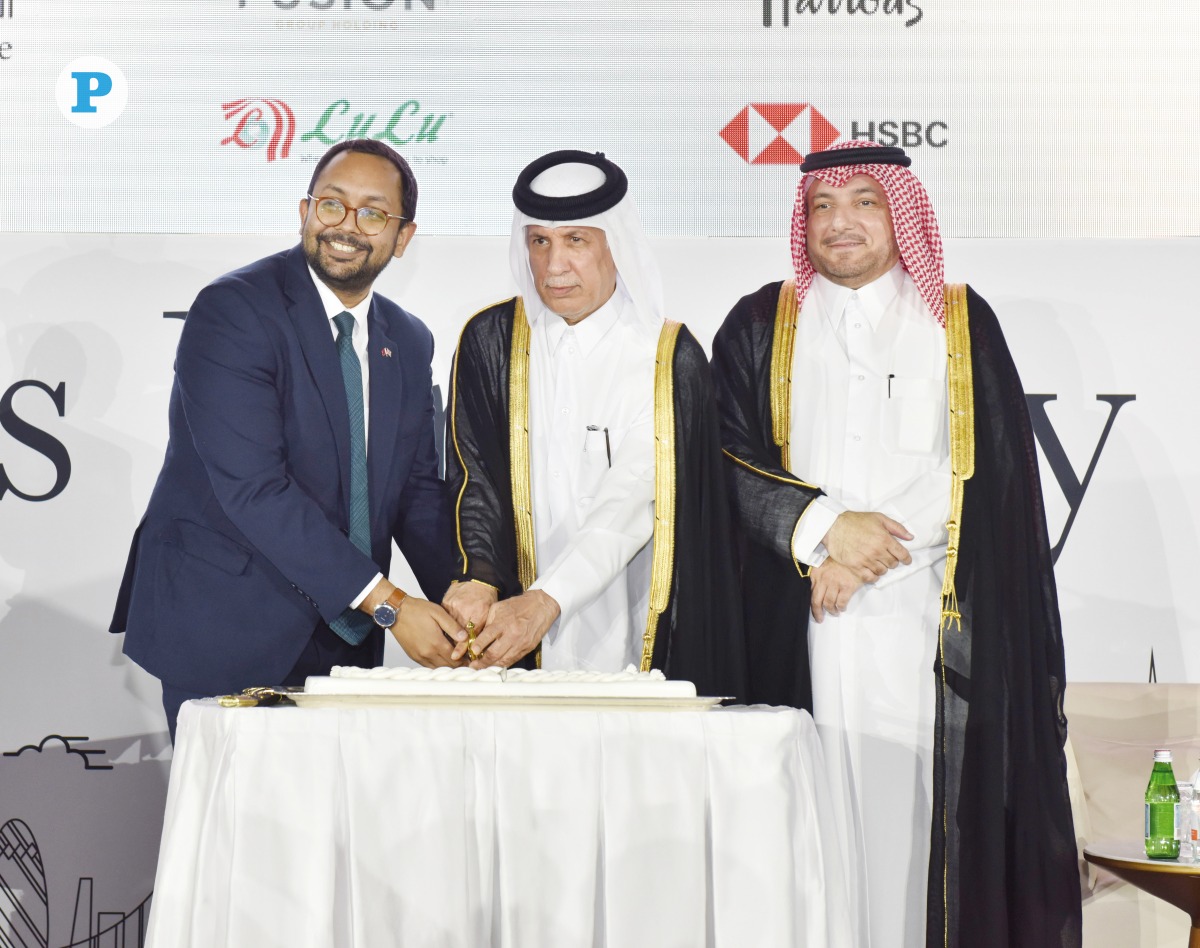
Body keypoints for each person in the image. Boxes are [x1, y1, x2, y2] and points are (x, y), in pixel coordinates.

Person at [710, 141, 1080, 948]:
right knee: (812, 829)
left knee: (926, 828)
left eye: (865, 203)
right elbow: (729, 455)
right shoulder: (759, 323)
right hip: (798, 616)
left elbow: (988, 473)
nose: (840, 223)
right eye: (821, 207)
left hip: (931, 627)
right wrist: (821, 534)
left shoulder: (957, 321)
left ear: (901, 213)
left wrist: (868, 552)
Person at [111, 139, 464, 741]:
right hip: (226, 626)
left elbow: (416, 490)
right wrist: (391, 605)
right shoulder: (235, 310)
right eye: (332, 205)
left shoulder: (408, 339)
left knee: (328, 828)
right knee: (233, 830)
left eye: (373, 212)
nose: (347, 227)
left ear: (403, 237)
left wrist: (464, 598)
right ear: (305, 212)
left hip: (343, 636)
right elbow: (255, 488)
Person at [441, 149, 745, 697]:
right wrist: (480, 575)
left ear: (614, 245)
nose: (554, 265)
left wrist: (545, 601)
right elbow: (473, 474)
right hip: (509, 637)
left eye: (576, 241)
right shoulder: (491, 340)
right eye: (540, 242)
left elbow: (632, 502)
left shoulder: (664, 355)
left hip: (629, 635)